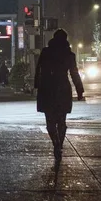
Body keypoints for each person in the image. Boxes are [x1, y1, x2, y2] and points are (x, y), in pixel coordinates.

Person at [34, 28, 84, 162]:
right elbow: (74, 73)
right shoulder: (69, 55)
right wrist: (79, 90)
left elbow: (38, 69)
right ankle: (59, 144)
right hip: (63, 88)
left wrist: (36, 85)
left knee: (50, 121)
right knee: (61, 120)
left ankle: (56, 143)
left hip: (47, 89)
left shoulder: (45, 52)